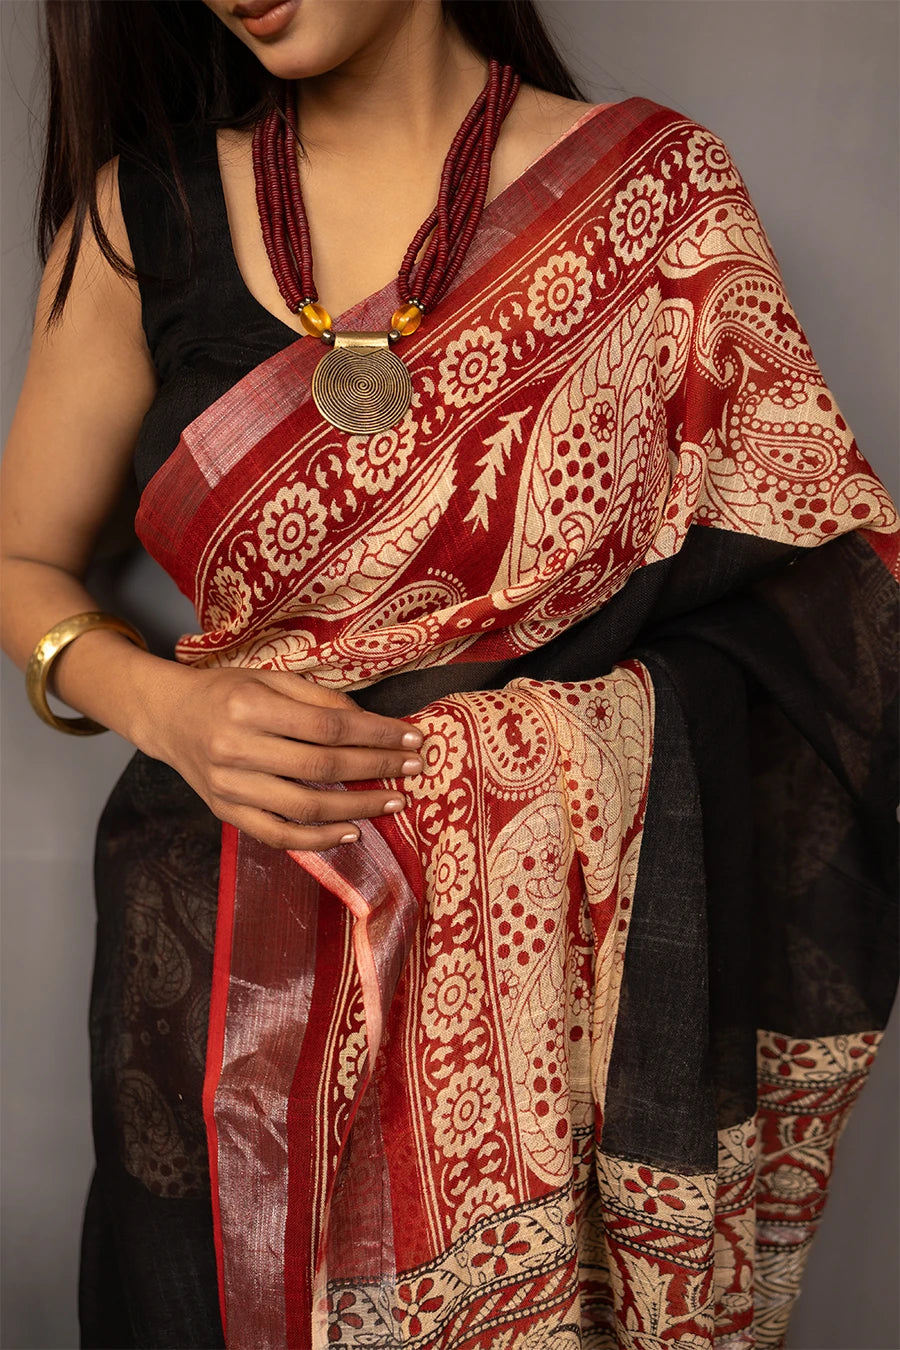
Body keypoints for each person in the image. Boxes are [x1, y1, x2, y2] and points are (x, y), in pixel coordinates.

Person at [1, 1, 897, 1346]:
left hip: (563, 1032)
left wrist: (554, 750)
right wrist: (165, 704)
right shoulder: (147, 222)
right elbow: (21, 560)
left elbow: (831, 615)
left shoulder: (660, 204)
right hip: (221, 966)